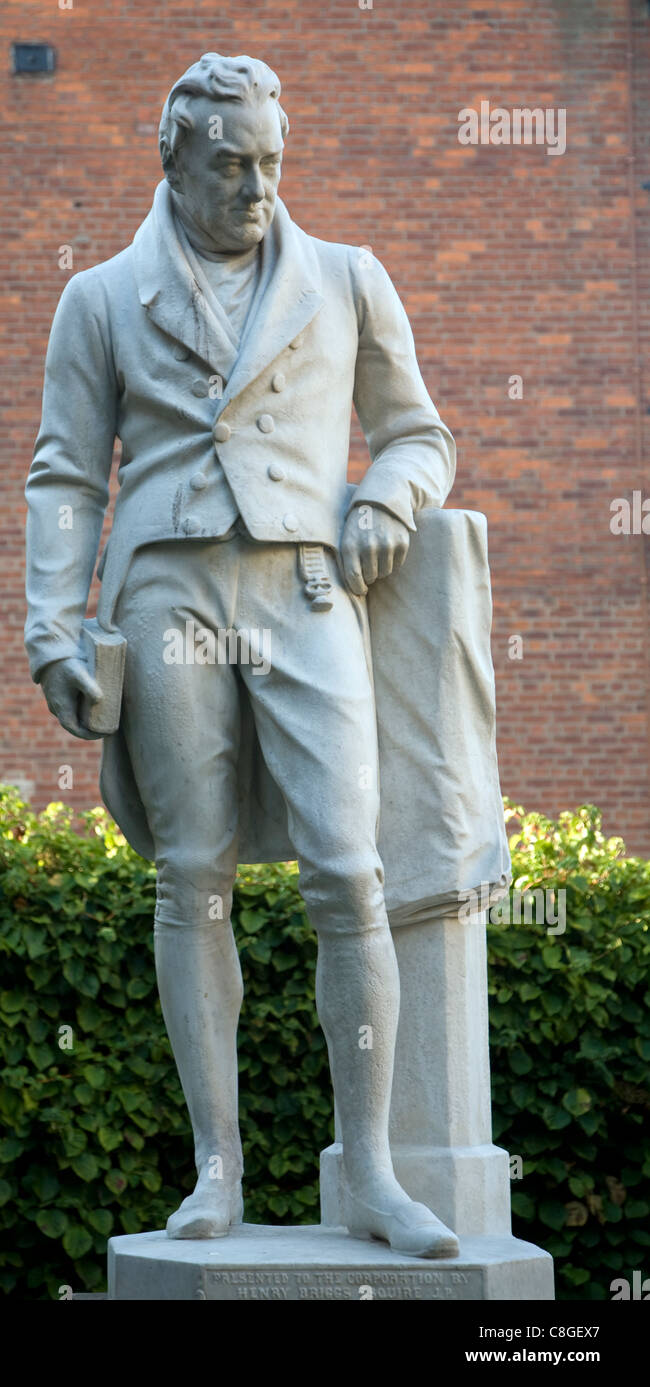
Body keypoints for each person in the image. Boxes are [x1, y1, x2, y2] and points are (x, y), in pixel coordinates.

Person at [25, 52, 460, 1258]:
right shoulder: (102, 297)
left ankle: (368, 1171)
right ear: (171, 158)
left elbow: (420, 434)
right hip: (165, 588)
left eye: (269, 162)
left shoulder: (346, 278)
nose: (254, 186)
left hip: (307, 587)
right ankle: (215, 1168)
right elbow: (65, 474)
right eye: (228, 165)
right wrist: (52, 624)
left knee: (348, 870)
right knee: (191, 876)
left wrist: (384, 497)